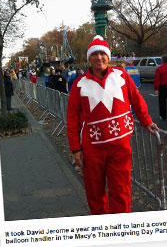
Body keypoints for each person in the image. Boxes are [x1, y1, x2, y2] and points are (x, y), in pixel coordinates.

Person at [67, 35, 158, 214]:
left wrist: (146, 120)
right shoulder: (79, 84)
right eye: (94, 54)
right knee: (95, 192)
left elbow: (136, 99)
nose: (98, 57)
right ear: (89, 58)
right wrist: (75, 149)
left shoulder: (121, 75)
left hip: (120, 147)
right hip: (92, 148)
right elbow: (72, 117)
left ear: (108, 57)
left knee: (121, 191)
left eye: (102, 53)